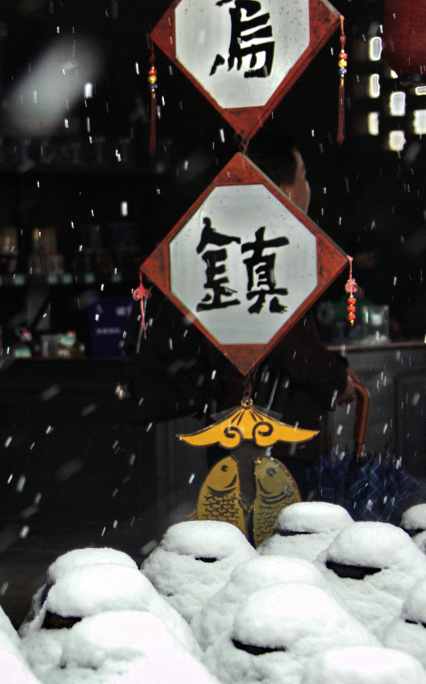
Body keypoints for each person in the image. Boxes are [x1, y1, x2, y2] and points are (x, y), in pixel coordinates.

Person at [120, 134, 356, 499]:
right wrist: (336, 379)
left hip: (238, 431)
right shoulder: (260, 252)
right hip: (271, 439)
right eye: (303, 176)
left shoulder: (224, 243)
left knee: (248, 541)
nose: (309, 187)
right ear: (284, 191)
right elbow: (287, 343)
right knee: (278, 545)